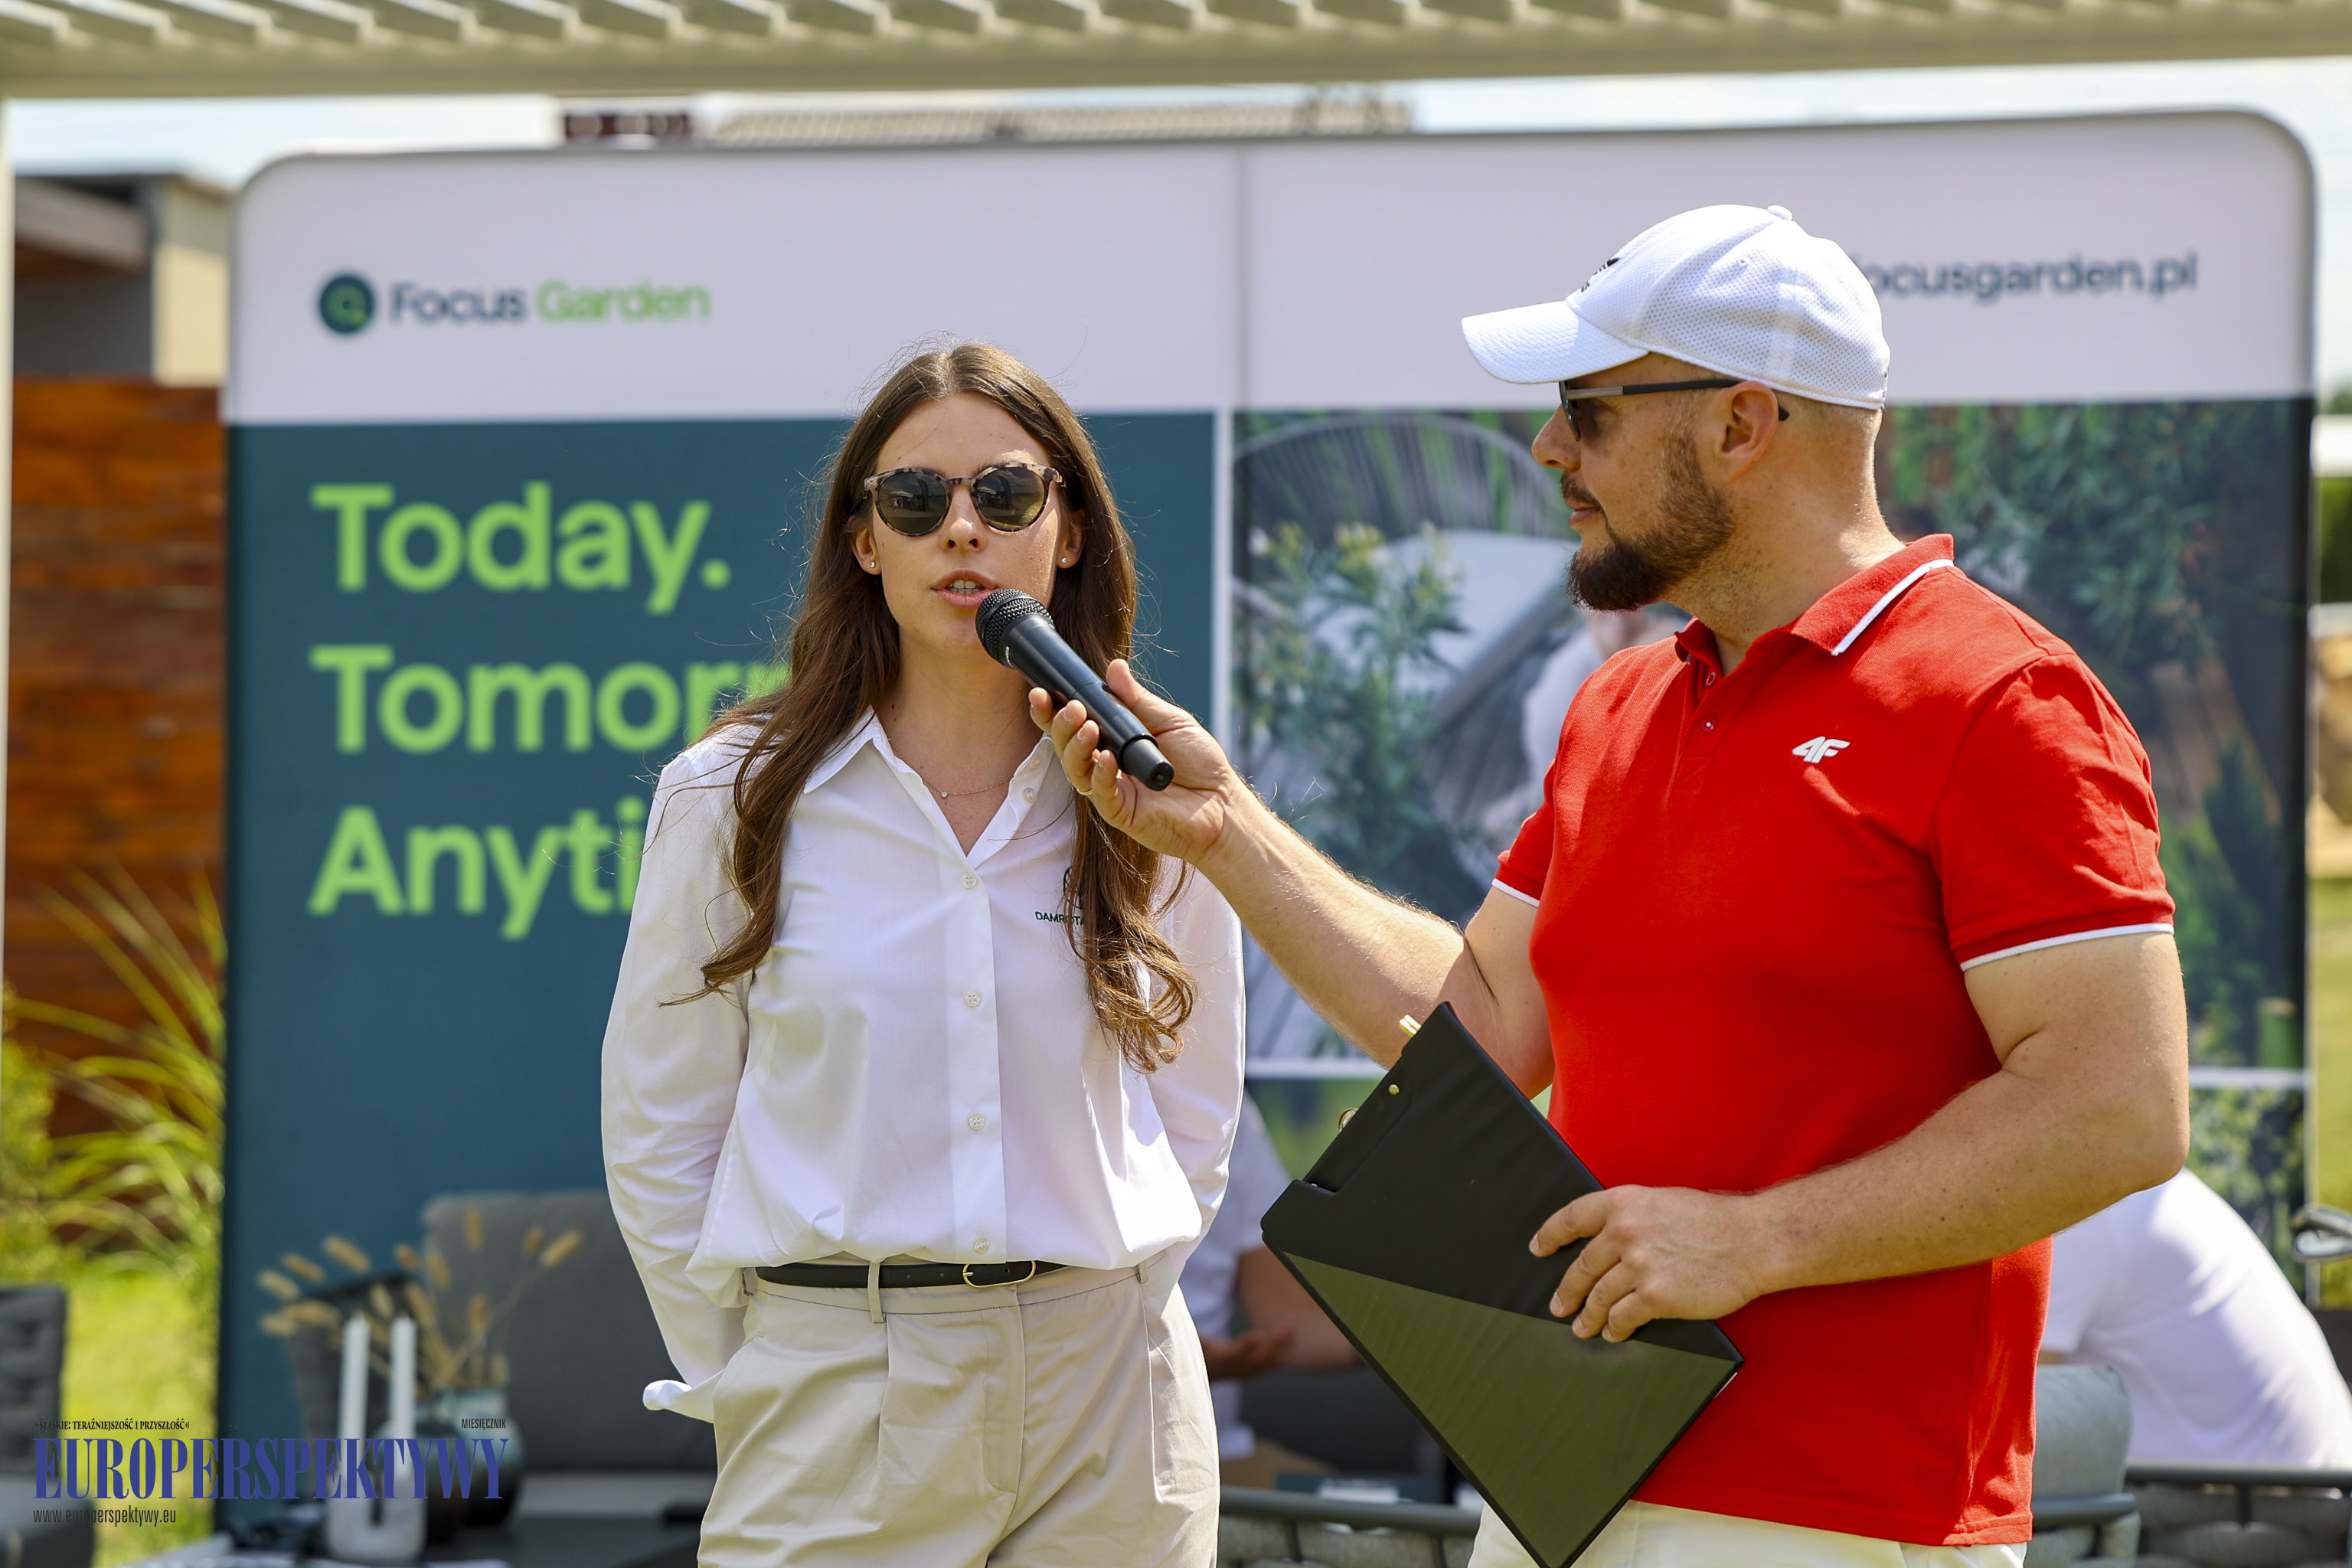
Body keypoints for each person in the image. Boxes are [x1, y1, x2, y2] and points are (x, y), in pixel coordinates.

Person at [1032, 204, 2189, 1567]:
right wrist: (1226, 829)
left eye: (1587, 412)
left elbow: (2119, 1105)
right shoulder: (1621, 704)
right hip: (1561, 1483)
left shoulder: (2004, 700)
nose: (1547, 447)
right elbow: (1476, 1021)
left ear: (1742, 424)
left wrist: (1754, 1241)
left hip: (1851, 1520)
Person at [601, 343, 1246, 1567]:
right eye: (914, 499)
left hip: (1111, 1399)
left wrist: (1112, 1305)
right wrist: (767, 1371)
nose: (962, 529)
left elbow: (1196, 1111)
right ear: (863, 540)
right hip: (834, 1393)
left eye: (1004, 494)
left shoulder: (1152, 786)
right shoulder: (732, 796)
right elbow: (660, 1127)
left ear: (1067, 531)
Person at [2043, 1168, 2352, 1466]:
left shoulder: (2089, 1214)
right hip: (2311, 1474)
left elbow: (2019, 1412)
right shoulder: (2146, 1187)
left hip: (2266, 1491)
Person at [1176, 1096, 1361, 1487]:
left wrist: (1411, 1338)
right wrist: (1169, 1364)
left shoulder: (1229, 1110)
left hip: (1213, 1449)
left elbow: (1289, 1316)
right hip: (1094, 1445)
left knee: (1359, 1515)